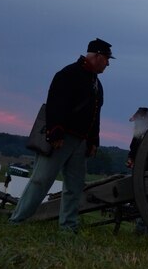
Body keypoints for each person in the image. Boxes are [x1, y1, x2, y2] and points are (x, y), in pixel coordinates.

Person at [8, 38, 112, 231]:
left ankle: (68, 226)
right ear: (97, 56)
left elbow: (95, 116)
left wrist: (93, 141)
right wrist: (55, 134)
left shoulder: (97, 84)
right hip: (61, 139)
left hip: (80, 142)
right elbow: (55, 105)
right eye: (107, 59)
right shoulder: (69, 74)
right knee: (41, 180)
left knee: (74, 186)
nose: (108, 63)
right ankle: (17, 220)